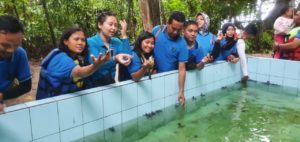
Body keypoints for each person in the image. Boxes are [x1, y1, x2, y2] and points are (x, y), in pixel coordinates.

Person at [36, 28, 110, 100]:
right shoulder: (60, 58)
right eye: (76, 39)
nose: (80, 43)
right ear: (66, 41)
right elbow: (78, 72)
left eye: (83, 40)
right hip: (50, 104)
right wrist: (95, 65)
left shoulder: (76, 57)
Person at [87, 10, 132, 87]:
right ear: (100, 25)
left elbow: (128, 57)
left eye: (115, 25)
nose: (114, 28)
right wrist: (115, 58)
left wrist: (124, 34)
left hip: (113, 84)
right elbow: (95, 64)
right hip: (95, 87)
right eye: (110, 24)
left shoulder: (116, 41)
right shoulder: (91, 42)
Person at [152, 11, 188, 106]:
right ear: (167, 23)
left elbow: (182, 68)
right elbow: (146, 48)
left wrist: (181, 91)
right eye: (173, 28)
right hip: (152, 76)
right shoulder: (157, 31)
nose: (176, 32)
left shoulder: (182, 44)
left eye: (179, 30)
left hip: (167, 80)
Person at [0, 15, 31, 111]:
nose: (11, 50)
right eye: (5, 45)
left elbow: (26, 85)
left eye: (16, 45)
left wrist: (2, 96)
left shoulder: (19, 53)